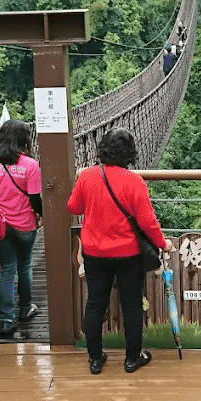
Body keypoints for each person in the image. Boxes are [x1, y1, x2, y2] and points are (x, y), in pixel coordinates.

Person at [67, 128, 169, 375]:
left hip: (94, 252)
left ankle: (94, 359)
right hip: (128, 254)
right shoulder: (134, 182)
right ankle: (132, 359)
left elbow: (73, 206)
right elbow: (147, 222)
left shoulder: (87, 176)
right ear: (130, 153)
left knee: (95, 304)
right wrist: (163, 244)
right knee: (132, 305)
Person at [0, 119, 43, 339]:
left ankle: (7, 319)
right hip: (25, 224)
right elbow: (35, 198)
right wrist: (45, 214)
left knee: (7, 268)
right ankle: (25, 307)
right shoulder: (30, 165)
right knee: (24, 265)